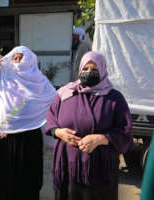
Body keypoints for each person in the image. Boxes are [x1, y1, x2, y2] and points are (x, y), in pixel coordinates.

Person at [46, 51, 133, 200]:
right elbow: (50, 118)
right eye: (85, 69)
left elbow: (125, 130)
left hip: (101, 170)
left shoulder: (114, 98)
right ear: (80, 69)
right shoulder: (65, 93)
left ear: (103, 70)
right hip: (68, 164)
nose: (88, 73)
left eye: (94, 70)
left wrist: (101, 138)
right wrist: (59, 132)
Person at [0, 46, 56, 200]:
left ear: (29, 60)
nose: (16, 62)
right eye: (14, 58)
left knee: (29, 177)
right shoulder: (3, 77)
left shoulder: (39, 81)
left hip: (29, 139)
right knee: (5, 177)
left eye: (20, 58)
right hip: (5, 138)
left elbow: (54, 101)